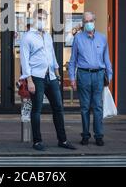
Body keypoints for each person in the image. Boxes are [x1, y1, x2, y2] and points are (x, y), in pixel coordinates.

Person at [19, 8, 76, 151]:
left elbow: (52, 55)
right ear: (32, 19)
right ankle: (37, 141)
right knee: (37, 109)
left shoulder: (48, 36)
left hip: (50, 76)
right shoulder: (27, 37)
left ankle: (62, 140)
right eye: (39, 17)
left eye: (44, 18)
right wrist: (29, 80)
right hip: (36, 77)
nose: (42, 20)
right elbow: (24, 61)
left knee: (58, 108)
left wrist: (57, 75)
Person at [68, 11, 113, 146]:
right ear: (83, 23)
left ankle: (99, 136)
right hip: (83, 75)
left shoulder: (102, 38)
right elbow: (73, 60)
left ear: (94, 21)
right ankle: (85, 135)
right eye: (85, 21)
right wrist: (72, 78)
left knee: (98, 107)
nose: (88, 23)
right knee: (85, 107)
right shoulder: (78, 38)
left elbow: (107, 59)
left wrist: (109, 76)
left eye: (90, 21)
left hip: (99, 74)